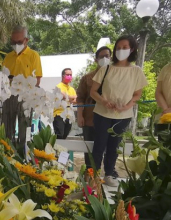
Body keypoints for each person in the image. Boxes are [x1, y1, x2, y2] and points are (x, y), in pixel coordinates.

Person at [89, 35, 147, 187]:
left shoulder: (136, 71)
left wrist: (126, 106)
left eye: (125, 47)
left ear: (132, 49)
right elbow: (93, 92)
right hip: (102, 113)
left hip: (123, 115)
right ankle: (93, 175)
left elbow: (137, 94)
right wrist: (104, 101)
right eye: (118, 48)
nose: (121, 50)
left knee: (114, 146)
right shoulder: (106, 68)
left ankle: (109, 174)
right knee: (99, 145)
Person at [1, 25, 43, 145]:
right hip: (9, 96)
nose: (16, 45)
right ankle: (6, 153)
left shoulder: (34, 56)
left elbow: (37, 79)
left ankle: (24, 154)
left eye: (19, 42)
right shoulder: (8, 57)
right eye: (13, 42)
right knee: (6, 127)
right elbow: (3, 78)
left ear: (26, 40)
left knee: (25, 130)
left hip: (26, 98)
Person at [76, 46, 112, 168]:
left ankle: (109, 172)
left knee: (110, 148)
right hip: (90, 119)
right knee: (89, 150)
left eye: (107, 56)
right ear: (96, 59)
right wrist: (80, 115)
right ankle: (90, 174)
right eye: (101, 56)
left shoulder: (117, 77)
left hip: (110, 118)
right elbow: (80, 97)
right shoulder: (87, 78)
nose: (105, 58)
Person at [53, 68, 77, 138]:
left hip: (69, 115)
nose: (69, 76)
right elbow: (63, 96)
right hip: (59, 114)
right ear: (63, 76)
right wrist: (70, 97)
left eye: (70, 75)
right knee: (60, 135)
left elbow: (76, 100)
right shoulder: (58, 87)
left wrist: (68, 97)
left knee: (65, 135)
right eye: (67, 74)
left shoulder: (72, 89)